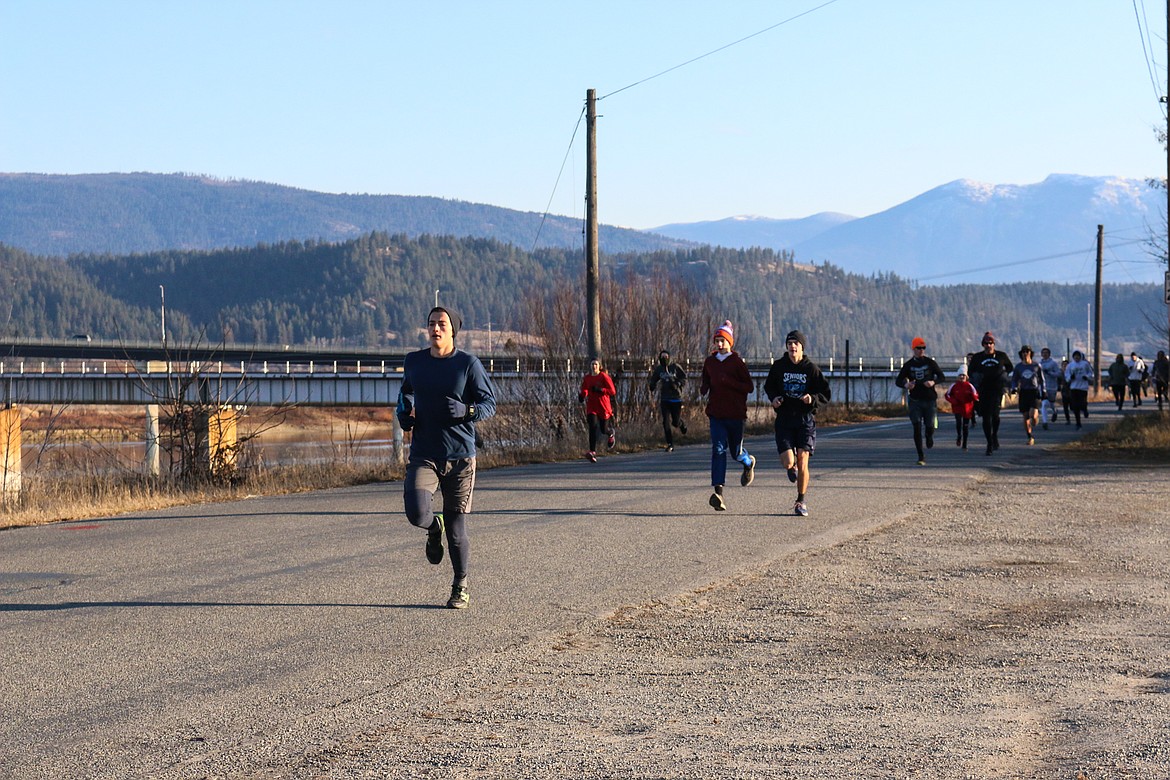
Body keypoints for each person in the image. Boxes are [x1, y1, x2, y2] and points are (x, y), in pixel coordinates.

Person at [397, 306, 497, 610]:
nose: (435, 329)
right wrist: (404, 413)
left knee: (457, 531)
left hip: (460, 458)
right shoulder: (414, 362)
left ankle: (460, 584)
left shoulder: (468, 364)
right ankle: (431, 527)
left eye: (441, 324)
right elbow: (406, 394)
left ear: (453, 330)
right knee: (416, 513)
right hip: (424, 453)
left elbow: (489, 403)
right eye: (431, 324)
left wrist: (467, 411)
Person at [764, 329, 831, 517]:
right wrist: (774, 398)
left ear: (802, 347)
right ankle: (790, 467)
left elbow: (826, 394)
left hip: (805, 420)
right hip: (784, 419)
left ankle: (800, 501)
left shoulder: (811, 369)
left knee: (803, 460)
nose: (792, 346)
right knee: (788, 462)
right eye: (789, 344)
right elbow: (769, 386)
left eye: (796, 344)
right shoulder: (779, 366)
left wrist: (812, 398)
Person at [700, 320, 756, 511]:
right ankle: (719, 493)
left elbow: (749, 387)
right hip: (716, 414)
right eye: (717, 340)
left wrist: (729, 382)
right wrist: (704, 387)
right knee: (718, 450)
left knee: (736, 452)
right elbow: (706, 378)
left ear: (730, 342)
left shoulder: (737, 363)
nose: (720, 344)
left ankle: (748, 463)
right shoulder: (710, 362)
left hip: (735, 415)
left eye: (723, 340)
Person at [894, 336, 946, 465]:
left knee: (929, 426)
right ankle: (920, 456)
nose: (921, 350)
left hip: (929, 400)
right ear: (913, 349)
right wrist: (906, 385)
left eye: (923, 348)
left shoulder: (930, 363)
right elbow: (898, 381)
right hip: (915, 400)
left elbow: (942, 376)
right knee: (916, 427)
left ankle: (929, 436)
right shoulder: (908, 365)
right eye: (919, 348)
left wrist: (933, 382)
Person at [966, 331, 1014, 456]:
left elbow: (1010, 367)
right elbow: (970, 372)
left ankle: (994, 436)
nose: (988, 345)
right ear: (983, 345)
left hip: (997, 389)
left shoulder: (1001, 356)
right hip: (983, 390)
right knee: (986, 417)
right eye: (986, 343)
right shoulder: (977, 357)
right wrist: (977, 377)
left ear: (994, 344)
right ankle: (989, 443)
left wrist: (1003, 375)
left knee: (996, 417)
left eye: (990, 343)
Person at [648, 349, 687, 452]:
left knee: (675, 422)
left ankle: (681, 424)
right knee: (665, 422)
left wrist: (677, 384)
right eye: (662, 357)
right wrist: (652, 385)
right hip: (665, 399)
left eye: (666, 357)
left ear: (669, 357)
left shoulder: (675, 367)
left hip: (676, 398)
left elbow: (684, 378)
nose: (664, 358)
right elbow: (654, 379)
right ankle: (670, 444)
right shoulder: (659, 369)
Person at [579, 358, 617, 462]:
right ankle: (592, 451)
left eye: (595, 364)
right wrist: (582, 396)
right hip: (592, 405)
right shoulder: (587, 378)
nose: (594, 366)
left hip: (603, 406)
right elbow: (585, 389)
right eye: (592, 364)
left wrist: (601, 390)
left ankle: (610, 433)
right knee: (592, 426)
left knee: (603, 429)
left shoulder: (603, 376)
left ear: (599, 366)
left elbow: (612, 391)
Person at [1010, 345, 1045, 445]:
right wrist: (1014, 388)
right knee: (1025, 416)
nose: (1025, 353)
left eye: (1027, 351)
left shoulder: (1036, 366)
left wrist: (1044, 391)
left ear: (1031, 353)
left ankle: (1035, 418)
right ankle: (1030, 436)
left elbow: (1042, 380)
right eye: (1023, 352)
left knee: (1032, 415)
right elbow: (1014, 380)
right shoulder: (1018, 367)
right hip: (1024, 392)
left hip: (1034, 391)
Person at [944, 365, 978, 450]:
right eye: (960, 375)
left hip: (967, 408)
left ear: (966, 377)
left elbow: (976, 396)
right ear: (957, 377)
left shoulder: (970, 386)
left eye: (963, 375)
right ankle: (959, 435)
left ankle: (965, 443)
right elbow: (947, 395)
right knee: (958, 422)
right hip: (957, 407)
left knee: (965, 426)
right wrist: (953, 401)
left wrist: (973, 397)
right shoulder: (954, 386)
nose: (962, 377)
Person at [1064, 349, 1094, 428]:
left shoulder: (1085, 364)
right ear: (1073, 357)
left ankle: (1084, 409)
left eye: (1078, 356)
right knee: (1075, 405)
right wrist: (1070, 378)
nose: (1076, 358)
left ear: (1080, 356)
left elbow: (1091, 373)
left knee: (1082, 402)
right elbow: (1066, 375)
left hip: (1083, 387)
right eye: (1075, 356)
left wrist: (1087, 377)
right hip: (1074, 387)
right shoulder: (1070, 365)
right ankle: (1078, 422)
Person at [1038, 347, 1062, 430]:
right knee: (1044, 404)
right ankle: (1045, 422)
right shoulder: (1039, 364)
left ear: (1049, 354)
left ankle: (1055, 411)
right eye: (1043, 353)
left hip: (1052, 386)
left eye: (1046, 353)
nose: (1044, 354)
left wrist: (1050, 373)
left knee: (1051, 403)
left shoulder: (1053, 363)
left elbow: (1059, 373)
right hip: (1043, 387)